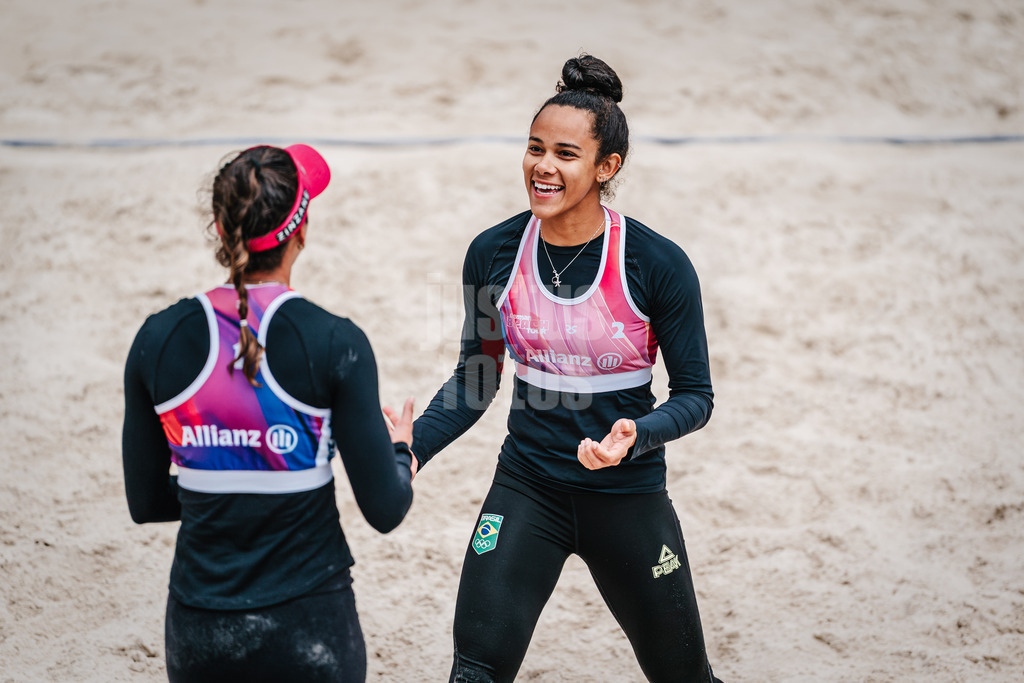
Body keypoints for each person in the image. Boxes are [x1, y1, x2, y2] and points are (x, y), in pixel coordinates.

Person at [412, 55, 722, 682]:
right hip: (527, 487)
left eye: (565, 154)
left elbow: (696, 396)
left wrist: (642, 433)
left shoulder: (658, 264)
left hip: (628, 497)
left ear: (607, 167)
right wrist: (411, 449)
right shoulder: (492, 252)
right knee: (472, 674)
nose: (543, 167)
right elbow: (478, 377)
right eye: (534, 148)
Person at [121, 143, 416, 682]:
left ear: (218, 226)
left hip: (200, 632)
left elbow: (145, 502)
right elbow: (385, 509)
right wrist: (400, 451)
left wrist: (227, 482)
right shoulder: (335, 342)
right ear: (301, 232)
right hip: (310, 628)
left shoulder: (157, 340)